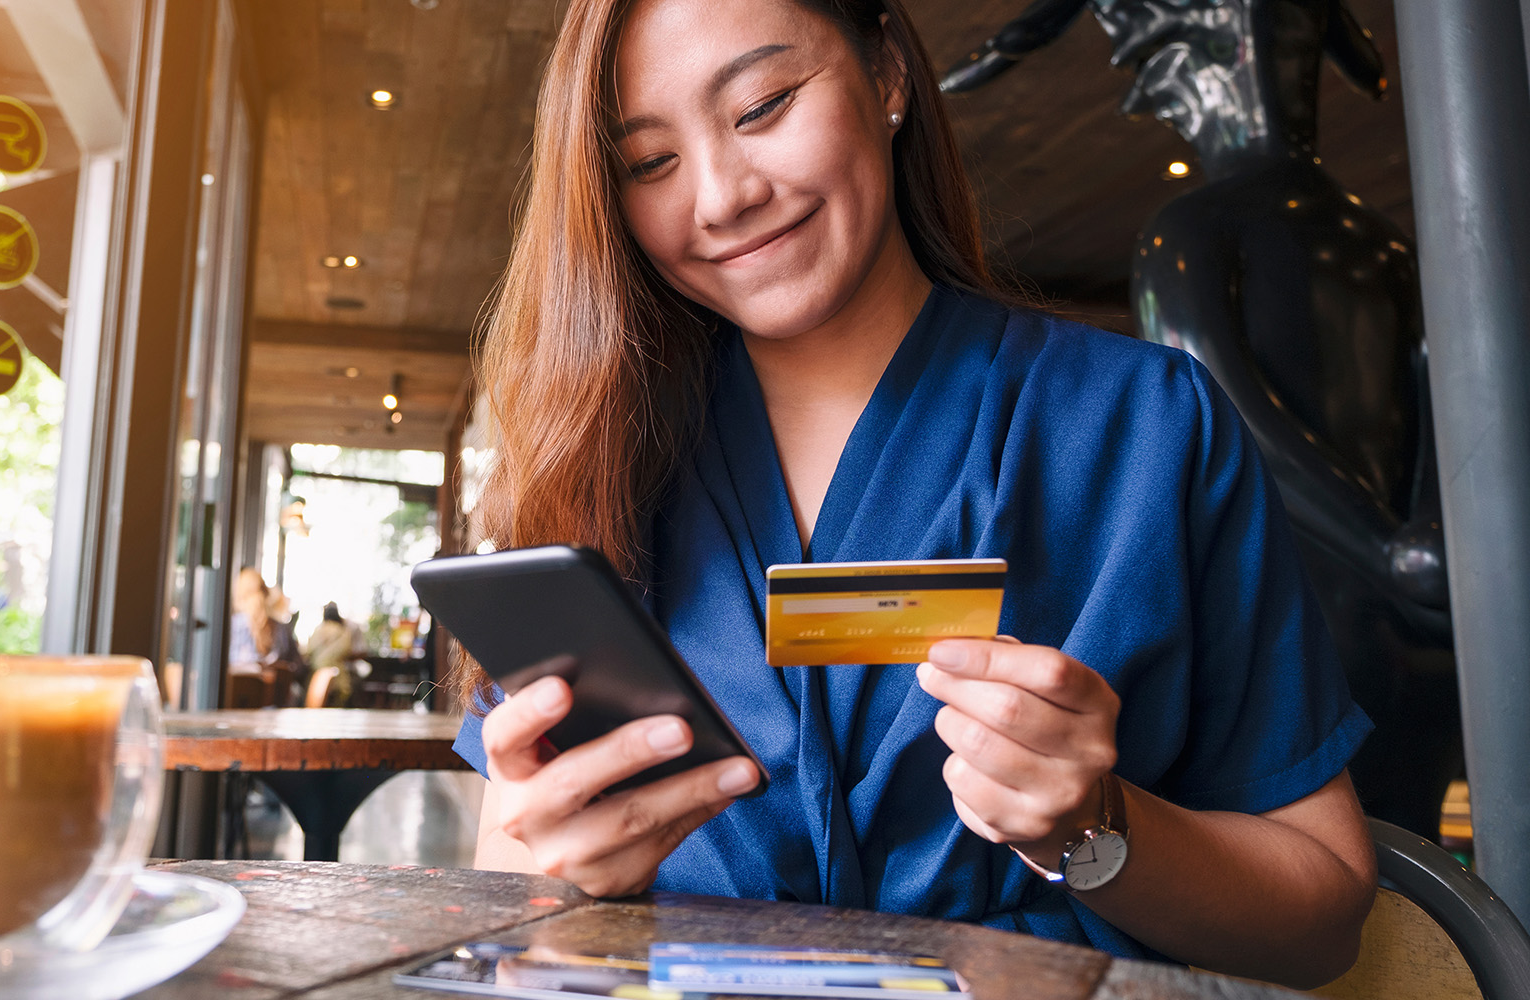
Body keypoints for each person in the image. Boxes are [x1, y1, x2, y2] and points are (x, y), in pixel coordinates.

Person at [451, 0, 1376, 989]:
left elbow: (1321, 921)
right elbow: (516, 908)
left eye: (762, 105)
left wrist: (1093, 824)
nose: (720, 196)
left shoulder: (1145, 426)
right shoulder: (595, 465)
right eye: (648, 163)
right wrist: (562, 880)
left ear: (887, 74)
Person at [305, 602, 356, 705]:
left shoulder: (318, 630)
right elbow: (347, 651)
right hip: (338, 676)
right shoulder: (343, 632)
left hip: (316, 675)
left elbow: (309, 650)